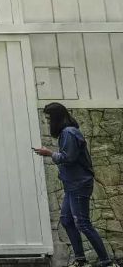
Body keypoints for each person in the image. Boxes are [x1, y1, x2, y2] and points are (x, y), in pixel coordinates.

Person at [33, 103, 119, 267]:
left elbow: (68, 158)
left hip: (79, 184)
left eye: (49, 118)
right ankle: (81, 260)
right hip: (73, 184)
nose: (47, 122)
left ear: (57, 118)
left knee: (83, 223)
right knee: (67, 220)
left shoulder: (69, 133)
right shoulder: (68, 132)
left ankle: (107, 263)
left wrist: (49, 153)